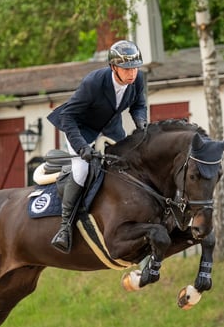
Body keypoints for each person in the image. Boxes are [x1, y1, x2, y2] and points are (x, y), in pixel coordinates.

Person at [47, 39, 148, 252]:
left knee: (129, 161)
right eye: (126, 68)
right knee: (82, 169)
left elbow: (139, 105)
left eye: (135, 68)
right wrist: (82, 147)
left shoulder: (138, 80)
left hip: (111, 128)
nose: (132, 73)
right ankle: (65, 227)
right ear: (113, 67)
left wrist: (141, 125)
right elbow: (68, 117)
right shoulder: (94, 82)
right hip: (81, 128)